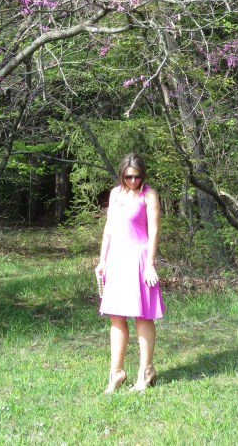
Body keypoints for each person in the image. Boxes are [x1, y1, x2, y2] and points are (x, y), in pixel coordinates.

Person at [95, 153, 165, 393]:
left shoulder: (149, 195)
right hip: (116, 260)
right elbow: (109, 229)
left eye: (136, 176)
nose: (133, 181)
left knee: (143, 317)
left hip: (139, 259)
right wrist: (102, 261)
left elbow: (154, 231)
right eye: (128, 177)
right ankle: (116, 373)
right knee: (116, 317)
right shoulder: (115, 194)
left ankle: (145, 372)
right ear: (121, 174)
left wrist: (150, 264)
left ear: (142, 175)